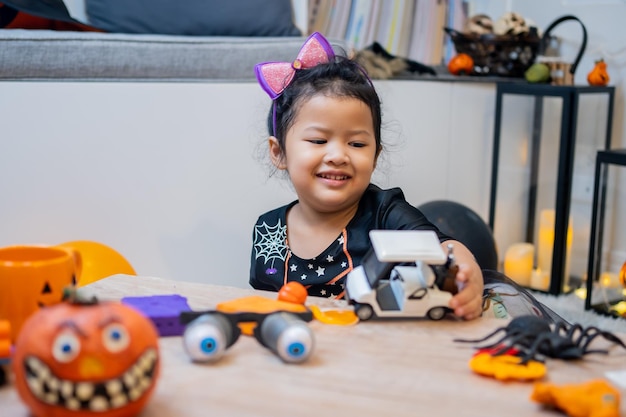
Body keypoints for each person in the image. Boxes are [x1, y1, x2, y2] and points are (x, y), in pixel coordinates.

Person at [249, 32, 484, 320]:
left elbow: (440, 244)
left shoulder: (386, 212)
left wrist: (464, 268)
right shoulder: (267, 229)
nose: (338, 155)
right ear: (279, 152)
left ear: (375, 155)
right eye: (319, 141)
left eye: (357, 144)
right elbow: (261, 306)